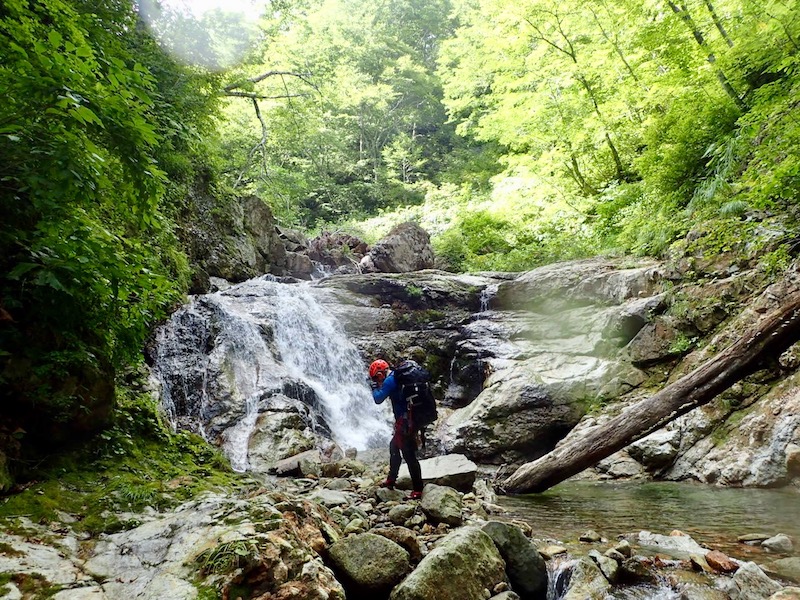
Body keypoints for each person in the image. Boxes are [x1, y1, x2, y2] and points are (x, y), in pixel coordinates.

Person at [369, 359, 424, 500]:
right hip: (409, 419)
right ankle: (391, 481)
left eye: (376, 377)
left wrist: (374, 387)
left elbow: (378, 398)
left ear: (381, 373)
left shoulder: (389, 380)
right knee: (394, 447)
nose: (377, 380)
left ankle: (418, 489)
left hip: (405, 421)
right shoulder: (396, 376)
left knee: (408, 455)